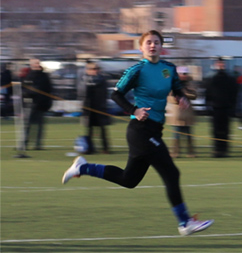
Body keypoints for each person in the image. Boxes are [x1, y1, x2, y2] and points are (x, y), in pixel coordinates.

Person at [61, 30, 213, 236]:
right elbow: (116, 94)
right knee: (171, 172)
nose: (152, 46)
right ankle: (185, 222)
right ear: (141, 47)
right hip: (140, 130)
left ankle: (83, 167)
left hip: (154, 131)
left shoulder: (168, 69)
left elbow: (176, 88)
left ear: (161, 46)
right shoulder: (136, 70)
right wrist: (134, 110)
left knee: (128, 180)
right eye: (148, 42)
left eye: (156, 42)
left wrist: (181, 97)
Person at [205, 58, 238, 158]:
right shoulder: (211, 79)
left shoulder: (230, 79)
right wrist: (208, 107)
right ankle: (217, 150)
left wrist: (233, 108)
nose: (220, 65)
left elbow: (234, 94)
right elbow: (208, 94)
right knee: (215, 131)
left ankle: (224, 150)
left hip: (226, 108)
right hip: (215, 109)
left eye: (222, 63)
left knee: (226, 131)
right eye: (219, 63)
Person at [165, 66, 198, 158]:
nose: (184, 75)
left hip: (187, 113)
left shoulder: (189, 85)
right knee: (176, 135)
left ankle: (191, 152)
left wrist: (184, 93)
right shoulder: (172, 84)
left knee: (189, 135)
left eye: (185, 74)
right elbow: (171, 98)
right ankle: (175, 152)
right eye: (182, 73)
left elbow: (194, 95)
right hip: (177, 113)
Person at [22, 58, 53, 150]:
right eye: (35, 63)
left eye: (37, 63)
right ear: (31, 65)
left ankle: (38, 144)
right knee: (28, 124)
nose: (37, 65)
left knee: (40, 125)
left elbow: (49, 89)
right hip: (31, 103)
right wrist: (29, 93)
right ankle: (25, 143)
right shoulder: (28, 75)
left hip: (41, 103)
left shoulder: (44, 75)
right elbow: (24, 89)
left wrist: (48, 101)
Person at [81, 62, 111, 154]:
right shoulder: (84, 81)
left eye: (96, 69)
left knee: (102, 129)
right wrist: (85, 108)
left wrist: (102, 106)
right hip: (89, 108)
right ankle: (89, 148)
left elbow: (104, 95)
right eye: (93, 69)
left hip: (100, 107)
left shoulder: (102, 80)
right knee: (89, 130)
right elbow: (83, 95)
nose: (95, 71)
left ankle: (105, 148)